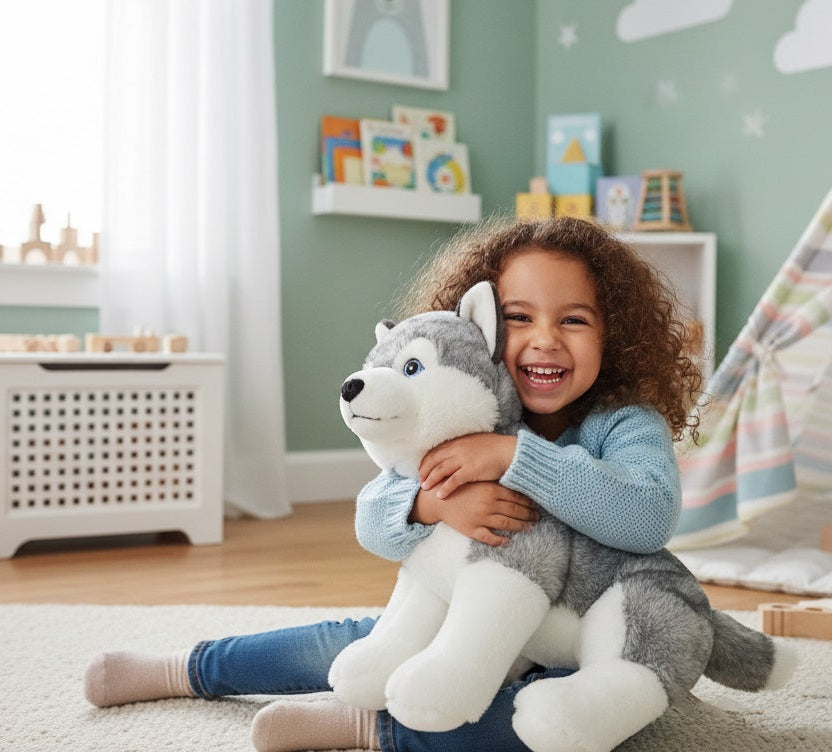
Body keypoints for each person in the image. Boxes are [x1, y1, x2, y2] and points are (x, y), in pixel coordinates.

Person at [83, 216, 703, 752]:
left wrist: (515, 455)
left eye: (574, 320)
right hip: (461, 625)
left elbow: (646, 517)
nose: (545, 338)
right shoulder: (455, 412)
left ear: (612, 335)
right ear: (481, 327)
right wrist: (431, 503)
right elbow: (373, 520)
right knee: (359, 640)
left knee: (566, 720)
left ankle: (372, 729)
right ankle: (188, 669)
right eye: (518, 317)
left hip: (579, 646)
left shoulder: (624, 421)